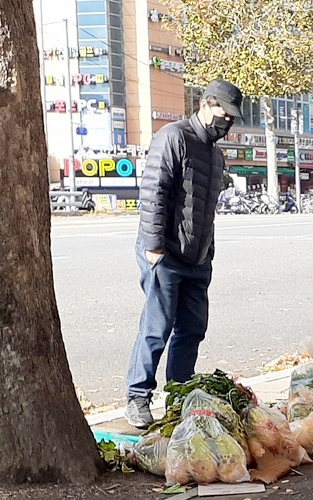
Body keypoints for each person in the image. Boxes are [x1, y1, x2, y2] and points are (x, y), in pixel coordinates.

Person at [124, 79, 244, 428]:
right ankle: (137, 396)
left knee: (192, 329)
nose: (228, 123)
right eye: (224, 114)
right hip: (166, 254)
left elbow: (208, 208)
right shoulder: (173, 137)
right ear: (206, 105)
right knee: (157, 327)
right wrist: (153, 247)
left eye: (232, 117)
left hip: (197, 259)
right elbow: (154, 193)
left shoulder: (215, 154)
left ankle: (178, 397)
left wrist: (208, 252)